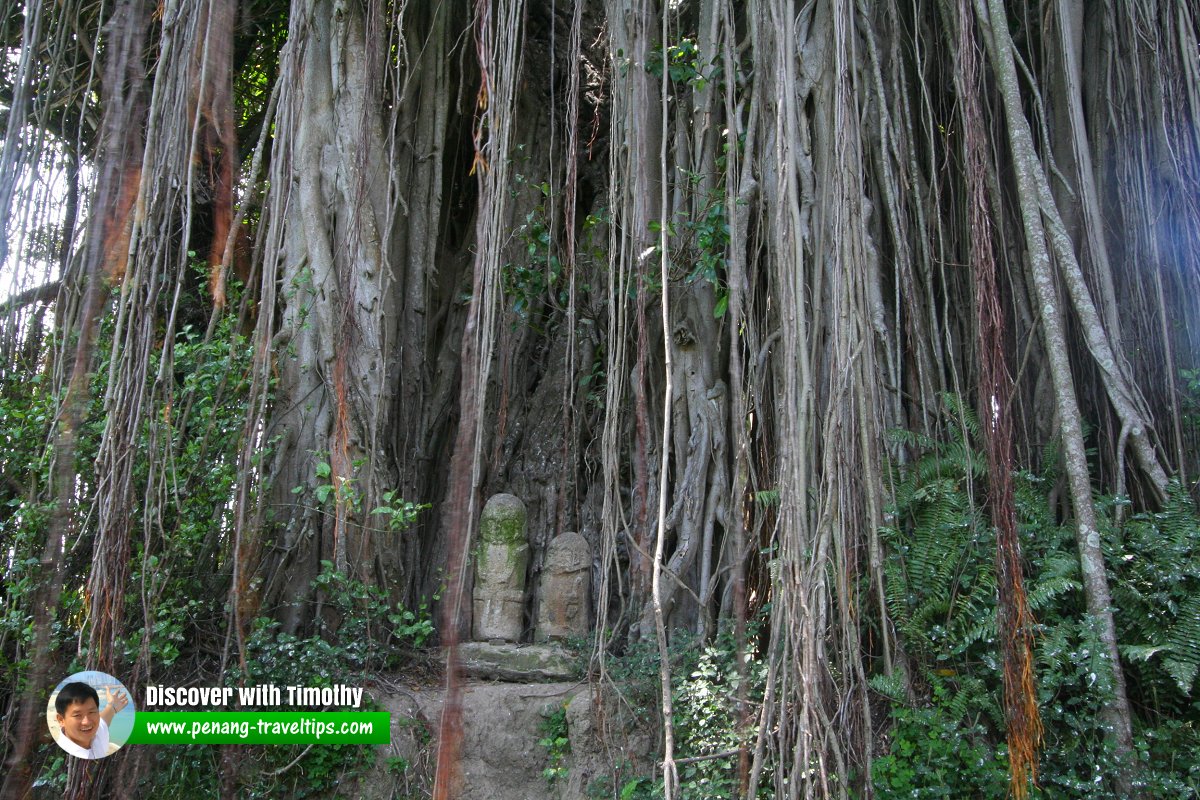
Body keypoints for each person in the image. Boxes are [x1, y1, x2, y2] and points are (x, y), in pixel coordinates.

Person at [54, 682, 129, 759]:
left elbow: (104, 719)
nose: (87, 722)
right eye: (77, 715)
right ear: (61, 720)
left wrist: (112, 706)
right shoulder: (64, 755)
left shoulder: (97, 733)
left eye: (91, 712)